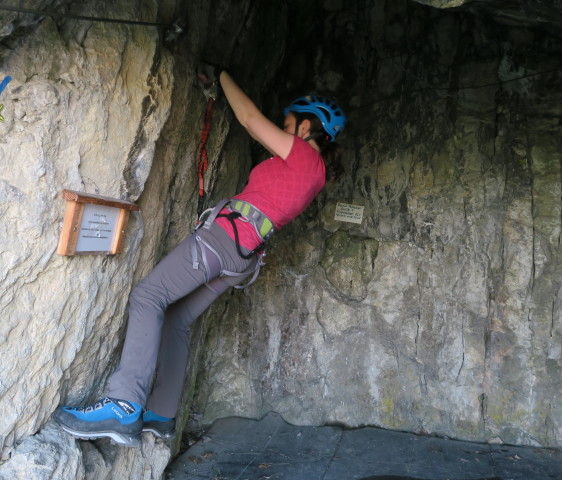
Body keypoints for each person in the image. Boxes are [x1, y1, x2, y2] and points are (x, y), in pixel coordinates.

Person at [53, 65, 346, 447]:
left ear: (307, 128)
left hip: (223, 240)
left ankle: (123, 406)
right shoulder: (316, 174)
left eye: (289, 122)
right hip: (242, 257)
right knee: (177, 319)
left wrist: (223, 73)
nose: (284, 127)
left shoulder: (305, 158)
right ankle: (160, 415)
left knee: (148, 296)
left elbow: (248, 117)